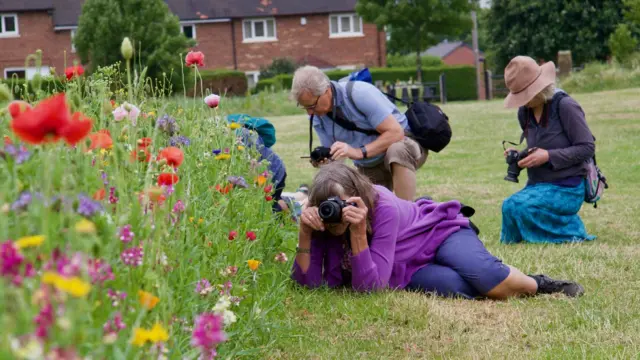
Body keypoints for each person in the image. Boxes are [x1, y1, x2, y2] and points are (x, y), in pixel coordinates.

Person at [291, 162, 584, 299]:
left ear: (358, 194)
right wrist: (306, 234)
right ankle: (499, 275)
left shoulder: (383, 206)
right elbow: (311, 284)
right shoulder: (322, 222)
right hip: (403, 265)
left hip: (437, 234)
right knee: (462, 288)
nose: (336, 211)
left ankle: (541, 284)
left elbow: (369, 285)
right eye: (328, 205)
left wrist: (356, 233)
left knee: (485, 276)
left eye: (341, 203)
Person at [291, 65, 427, 201]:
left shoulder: (359, 93)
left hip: (407, 147)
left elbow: (396, 133)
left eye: (312, 106)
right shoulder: (316, 116)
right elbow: (334, 161)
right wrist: (324, 162)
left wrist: (357, 152)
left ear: (326, 91)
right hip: (369, 164)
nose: (309, 112)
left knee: (397, 150)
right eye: (304, 107)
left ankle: (407, 211)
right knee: (370, 213)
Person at [501, 56, 596, 244]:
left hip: (568, 186)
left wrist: (548, 156)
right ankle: (517, 242)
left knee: (517, 205)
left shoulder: (566, 106)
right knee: (508, 206)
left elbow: (587, 147)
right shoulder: (524, 113)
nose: (521, 102)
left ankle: (572, 230)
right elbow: (537, 147)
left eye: (524, 95)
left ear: (539, 89)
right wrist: (519, 157)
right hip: (537, 185)